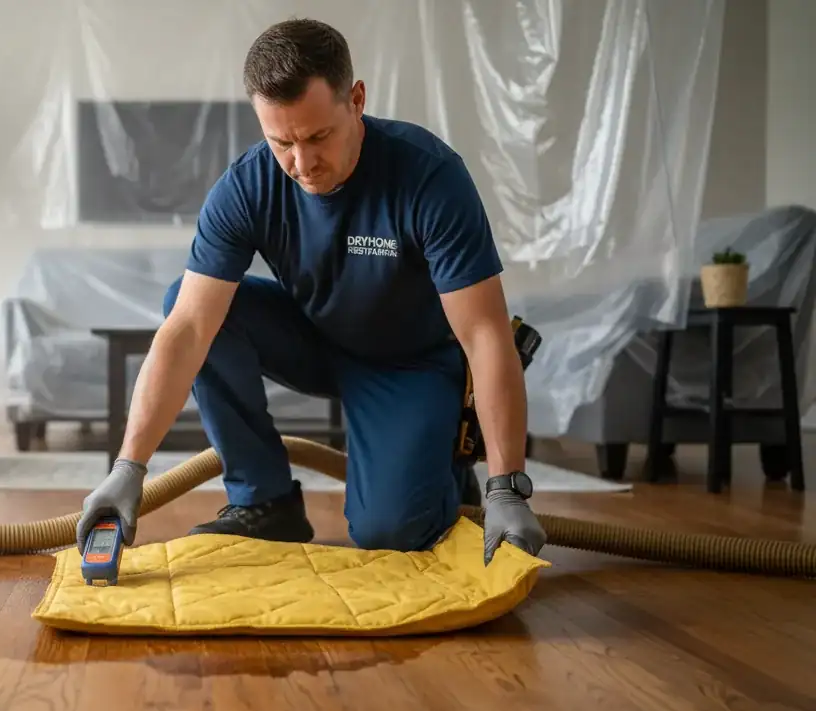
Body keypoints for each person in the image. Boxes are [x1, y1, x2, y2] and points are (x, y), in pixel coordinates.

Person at [76, 18, 546, 566]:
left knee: (390, 532)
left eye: (318, 136)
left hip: (411, 364)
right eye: (282, 142)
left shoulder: (429, 178)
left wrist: (507, 488)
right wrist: (127, 468)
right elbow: (188, 329)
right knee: (187, 301)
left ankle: (446, 468)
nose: (302, 164)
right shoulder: (247, 186)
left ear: (356, 99)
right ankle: (266, 503)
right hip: (316, 338)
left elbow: (487, 334)